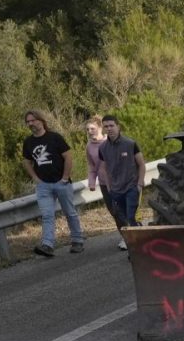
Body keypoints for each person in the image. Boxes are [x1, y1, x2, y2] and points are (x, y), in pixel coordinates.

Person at [20, 110, 83, 257]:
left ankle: (77, 240)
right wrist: (35, 178)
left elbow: (68, 156)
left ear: (41, 121)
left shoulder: (54, 138)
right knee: (47, 215)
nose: (30, 124)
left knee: (70, 212)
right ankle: (47, 245)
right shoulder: (28, 142)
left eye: (33, 120)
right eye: (28, 122)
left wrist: (65, 177)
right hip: (43, 186)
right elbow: (26, 161)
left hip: (61, 183)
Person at [92, 115, 143, 250]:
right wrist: (109, 187)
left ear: (118, 126)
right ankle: (137, 235)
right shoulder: (103, 148)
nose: (109, 129)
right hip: (115, 189)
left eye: (111, 125)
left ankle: (134, 249)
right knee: (122, 218)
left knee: (130, 216)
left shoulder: (130, 144)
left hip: (131, 186)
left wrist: (140, 184)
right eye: (106, 126)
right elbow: (104, 169)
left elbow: (141, 164)